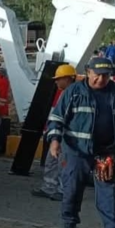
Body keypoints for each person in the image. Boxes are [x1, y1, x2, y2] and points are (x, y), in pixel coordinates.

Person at [46, 57, 115, 228]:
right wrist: (54, 141)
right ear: (88, 72)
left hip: (106, 152)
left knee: (108, 193)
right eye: (97, 75)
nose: (101, 80)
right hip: (76, 151)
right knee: (72, 190)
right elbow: (56, 118)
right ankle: (69, 226)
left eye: (105, 76)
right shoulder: (74, 92)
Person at [32, 63, 77, 200]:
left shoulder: (73, 93)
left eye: (59, 78)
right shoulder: (66, 92)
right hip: (59, 134)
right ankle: (49, 187)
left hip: (66, 135)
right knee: (52, 161)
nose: (56, 81)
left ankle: (63, 190)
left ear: (68, 78)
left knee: (63, 163)